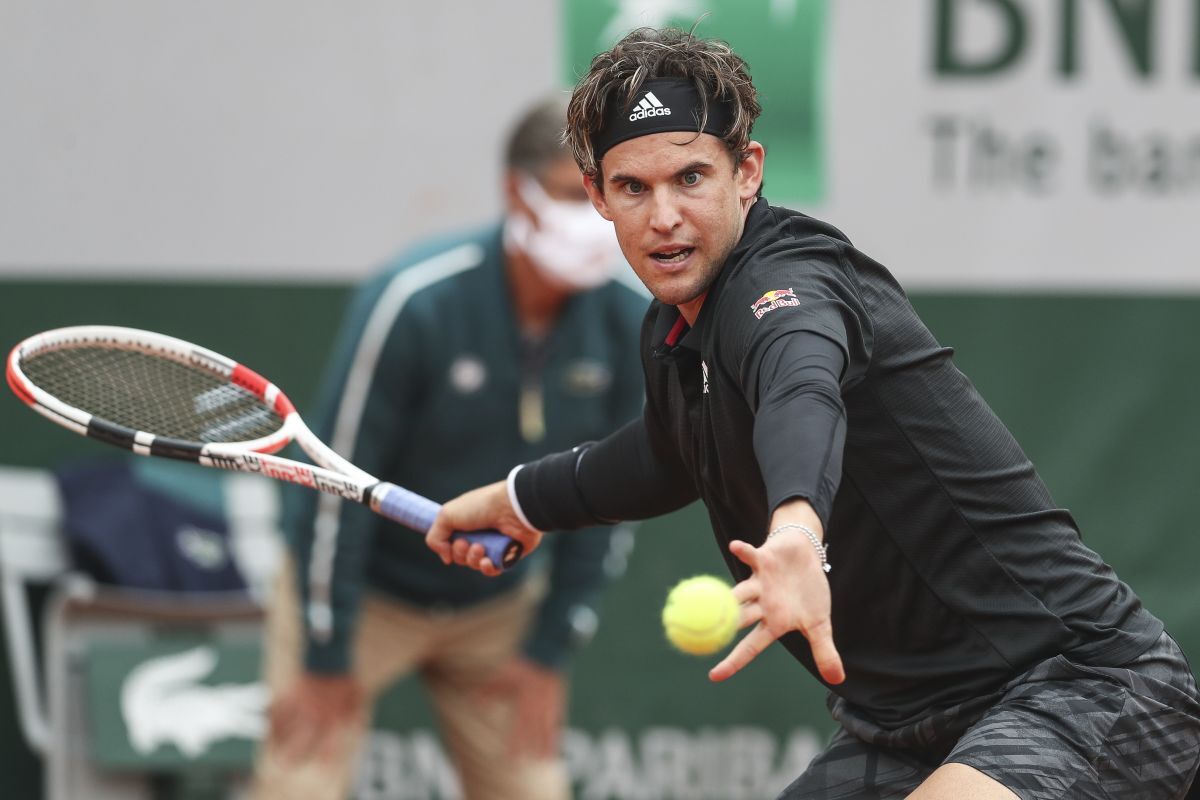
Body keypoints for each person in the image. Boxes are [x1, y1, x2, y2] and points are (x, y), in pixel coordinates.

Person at [427, 27, 1200, 800]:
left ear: (747, 172)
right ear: (599, 195)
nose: (664, 216)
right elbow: (666, 457)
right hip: (901, 724)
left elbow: (800, 388)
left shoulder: (791, 285)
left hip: (1081, 686)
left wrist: (796, 529)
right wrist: (523, 498)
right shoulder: (673, 331)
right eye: (634, 187)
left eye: (691, 177)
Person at [250, 95, 648, 800]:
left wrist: (547, 651)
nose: (594, 218)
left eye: (608, 193)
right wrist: (325, 653)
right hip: (364, 596)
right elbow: (331, 486)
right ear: (516, 193)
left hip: (497, 605)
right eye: (570, 194)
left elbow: (611, 499)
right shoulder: (415, 300)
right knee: (297, 787)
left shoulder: (629, 317)